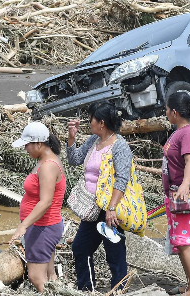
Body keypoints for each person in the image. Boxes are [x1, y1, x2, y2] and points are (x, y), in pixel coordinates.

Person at [67, 102, 132, 291]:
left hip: (110, 208)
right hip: (92, 208)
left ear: (101, 123)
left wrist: (112, 209)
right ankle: (87, 290)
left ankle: (118, 291)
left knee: (115, 254)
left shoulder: (119, 146)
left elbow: (122, 179)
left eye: (91, 120)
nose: (89, 123)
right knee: (80, 248)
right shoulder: (94, 140)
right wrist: (72, 138)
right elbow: (75, 159)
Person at [10, 122, 66, 293]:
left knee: (36, 277)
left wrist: (23, 225)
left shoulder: (48, 166)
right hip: (44, 226)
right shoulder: (46, 160)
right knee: (50, 277)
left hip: (44, 227)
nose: (26, 149)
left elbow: (46, 201)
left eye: (27, 145)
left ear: (39, 144)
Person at [162, 91, 190, 296]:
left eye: (167, 109)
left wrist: (185, 184)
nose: (166, 112)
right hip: (175, 194)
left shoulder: (187, 133)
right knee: (180, 241)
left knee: (184, 242)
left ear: (175, 112)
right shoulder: (180, 131)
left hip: (183, 194)